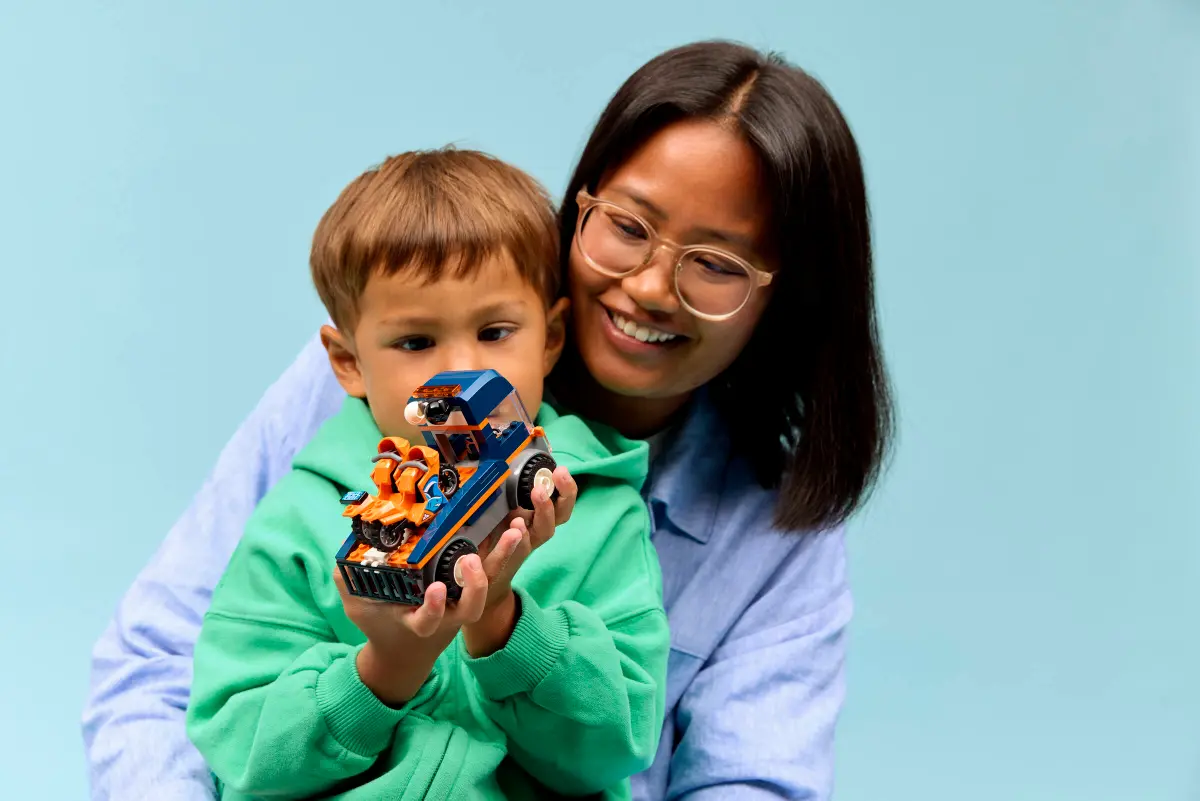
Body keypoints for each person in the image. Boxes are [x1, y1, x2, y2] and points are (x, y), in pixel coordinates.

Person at [83, 39, 893, 801]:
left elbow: (728, 774)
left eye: (716, 264)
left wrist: (506, 624)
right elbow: (167, 677)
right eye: (628, 226)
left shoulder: (622, 512)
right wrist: (381, 669)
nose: (649, 287)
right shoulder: (346, 424)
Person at [184, 148, 669, 800]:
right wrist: (386, 667)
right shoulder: (300, 517)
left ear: (551, 337)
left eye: (495, 331)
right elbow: (242, 754)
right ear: (347, 361)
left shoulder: (600, 512)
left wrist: (502, 622)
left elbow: (615, 749)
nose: (462, 367)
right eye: (415, 342)